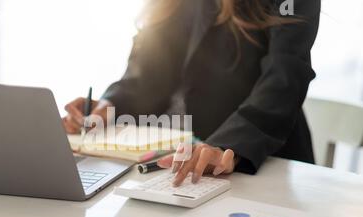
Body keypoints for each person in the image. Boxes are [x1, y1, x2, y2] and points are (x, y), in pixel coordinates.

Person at [63, 0, 321, 186]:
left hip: (258, 166)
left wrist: (227, 146)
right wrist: (107, 107)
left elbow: (284, 78)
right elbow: (145, 74)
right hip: (167, 169)